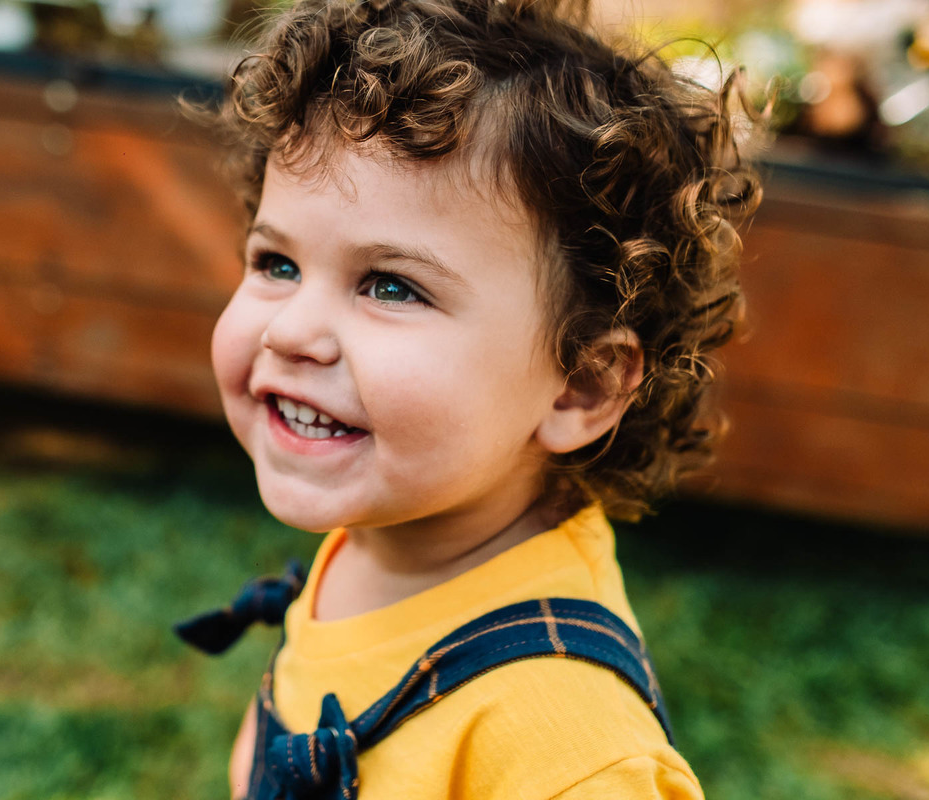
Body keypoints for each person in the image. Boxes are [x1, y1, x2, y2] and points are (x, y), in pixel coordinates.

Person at [177, 1, 761, 797]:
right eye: (277, 263)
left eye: (391, 286)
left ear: (582, 385)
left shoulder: (571, 754)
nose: (292, 331)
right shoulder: (394, 533)